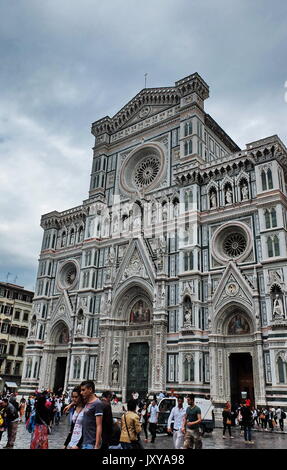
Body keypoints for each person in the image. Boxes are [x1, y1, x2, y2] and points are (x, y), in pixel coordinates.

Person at [80, 380, 103, 449]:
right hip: (84, 441)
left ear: (90, 389)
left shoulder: (97, 403)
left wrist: (97, 445)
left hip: (91, 443)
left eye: (83, 390)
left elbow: (99, 425)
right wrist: (70, 405)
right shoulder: (87, 402)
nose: (81, 393)